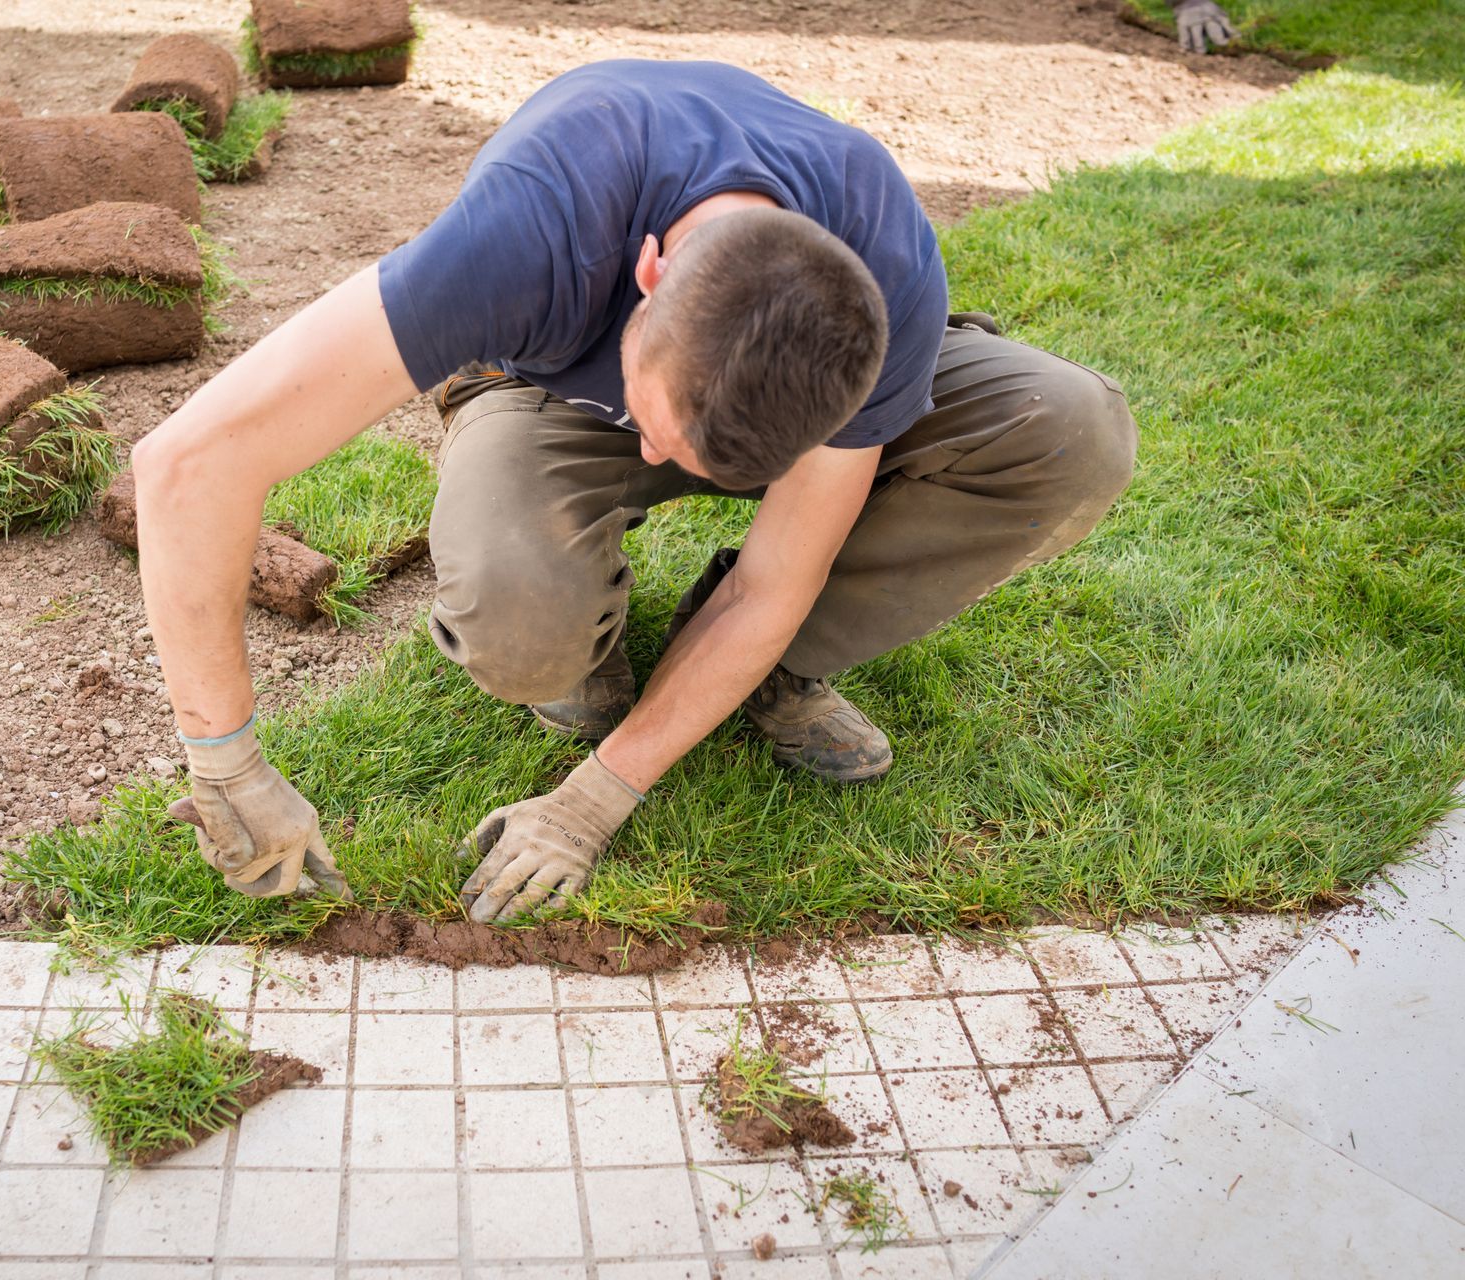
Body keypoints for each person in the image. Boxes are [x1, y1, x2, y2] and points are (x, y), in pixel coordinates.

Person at [132, 60, 1137, 923]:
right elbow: (189, 462)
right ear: (649, 272)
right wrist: (225, 760)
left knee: (1070, 431)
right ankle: (581, 641)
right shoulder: (534, 229)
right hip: (552, 384)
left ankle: (772, 670)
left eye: (715, 470)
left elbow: (776, 579)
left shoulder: (878, 265)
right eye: (668, 433)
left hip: (777, 382)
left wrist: (591, 802)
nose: (676, 469)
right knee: (518, 616)